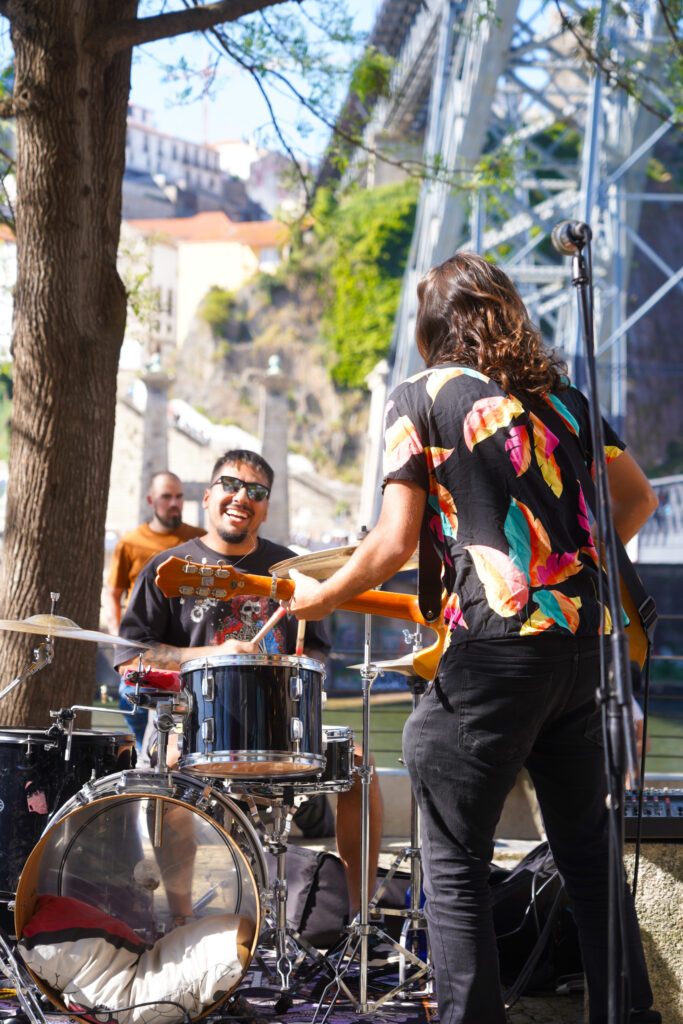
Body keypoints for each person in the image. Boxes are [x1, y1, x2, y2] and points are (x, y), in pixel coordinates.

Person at [286, 254, 660, 1024]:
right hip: (580, 650)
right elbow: (637, 499)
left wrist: (315, 596)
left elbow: (392, 543)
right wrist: (568, 568)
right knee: (589, 855)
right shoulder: (564, 403)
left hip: (492, 653)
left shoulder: (421, 396)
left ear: (432, 327)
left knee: (452, 858)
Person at [114, 449, 383, 924]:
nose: (242, 497)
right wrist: (212, 657)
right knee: (170, 771)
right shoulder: (169, 567)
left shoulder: (294, 570)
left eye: (256, 492)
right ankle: (182, 925)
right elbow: (130, 657)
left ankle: (359, 924)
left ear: (266, 506)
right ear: (208, 495)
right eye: (231, 485)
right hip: (194, 728)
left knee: (359, 766)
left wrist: (300, 672)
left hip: (280, 731)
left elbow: (316, 650)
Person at [105, 470, 205, 749]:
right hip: (143, 653)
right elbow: (112, 594)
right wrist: (119, 643)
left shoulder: (200, 540)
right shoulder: (130, 543)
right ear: (151, 500)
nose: (174, 503)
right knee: (136, 716)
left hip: (186, 654)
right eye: (166, 497)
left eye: (179, 496)